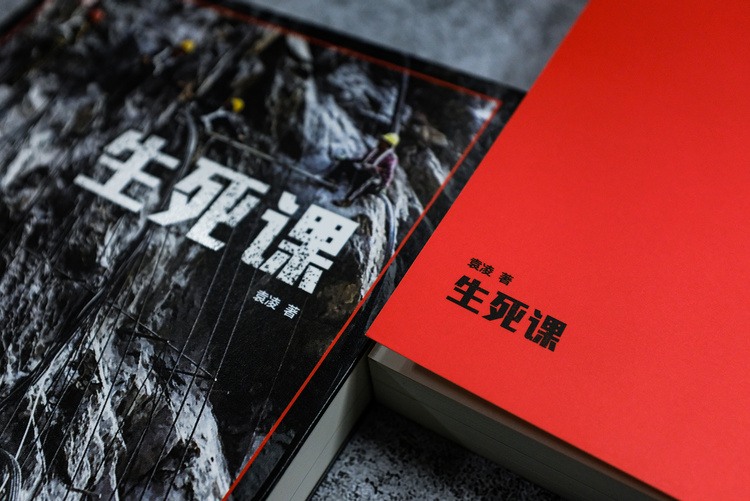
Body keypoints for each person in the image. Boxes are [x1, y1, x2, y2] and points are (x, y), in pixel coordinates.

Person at [330, 133, 399, 207]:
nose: (379, 142)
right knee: (347, 163)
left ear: (388, 145)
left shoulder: (391, 158)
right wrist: (349, 160)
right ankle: (332, 181)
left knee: (364, 179)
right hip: (362, 170)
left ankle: (348, 200)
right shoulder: (374, 150)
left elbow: (389, 173)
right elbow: (363, 160)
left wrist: (384, 186)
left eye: (383, 141)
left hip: (374, 179)